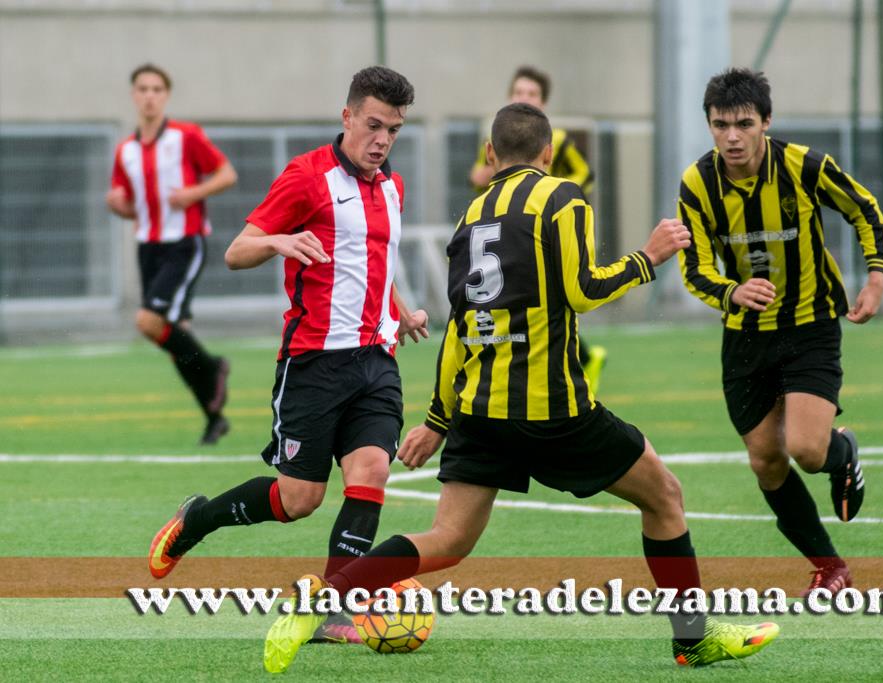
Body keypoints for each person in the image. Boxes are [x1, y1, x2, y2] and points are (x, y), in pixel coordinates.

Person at [262, 102, 779, 674]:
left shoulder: (470, 218)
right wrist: (647, 258)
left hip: (480, 412)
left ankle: (325, 599)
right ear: (548, 155)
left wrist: (438, 421)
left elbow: (459, 328)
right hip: (552, 408)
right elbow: (584, 290)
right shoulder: (562, 197)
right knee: (666, 498)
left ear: (490, 156)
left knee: (448, 539)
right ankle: (692, 638)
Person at [147, 66, 429, 644]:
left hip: (376, 361)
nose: (382, 140)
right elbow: (236, 250)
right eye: (373, 125)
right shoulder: (306, 177)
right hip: (313, 365)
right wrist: (278, 241)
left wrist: (399, 311)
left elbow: (373, 264)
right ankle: (198, 518)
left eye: (394, 130)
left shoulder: (392, 186)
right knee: (299, 499)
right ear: (347, 116)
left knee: (372, 470)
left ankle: (332, 610)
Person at [677, 68, 883, 595]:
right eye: (720, 124)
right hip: (746, 338)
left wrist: (876, 276)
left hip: (810, 325)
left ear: (765, 123)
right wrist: (732, 292)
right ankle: (829, 566)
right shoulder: (697, 183)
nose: (732, 137)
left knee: (807, 451)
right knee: (765, 460)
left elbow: (864, 210)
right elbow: (695, 268)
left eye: (743, 124)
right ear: (709, 125)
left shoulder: (803, 166)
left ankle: (841, 452)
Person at [106, 63, 237, 445]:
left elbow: (227, 174)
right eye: (143, 88)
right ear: (134, 95)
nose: (149, 95)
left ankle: (214, 369)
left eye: (157, 89)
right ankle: (214, 417)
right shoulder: (125, 150)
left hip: (184, 242)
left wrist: (193, 194)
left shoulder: (186, 136)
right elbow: (128, 203)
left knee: (148, 322)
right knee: (175, 335)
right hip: (148, 245)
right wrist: (116, 204)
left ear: (166, 95)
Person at [469, 66, 607, 392]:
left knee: (558, 296)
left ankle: (572, 363)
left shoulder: (555, 141)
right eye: (518, 93)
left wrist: (550, 197)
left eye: (531, 94)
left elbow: (585, 176)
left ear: (543, 102)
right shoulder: (496, 140)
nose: (523, 98)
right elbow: (479, 179)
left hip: (550, 233)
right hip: (510, 234)